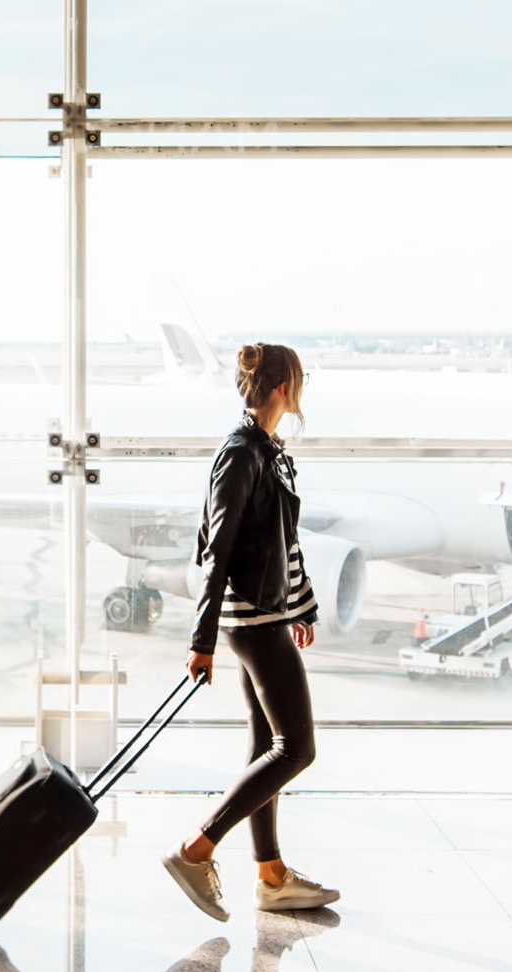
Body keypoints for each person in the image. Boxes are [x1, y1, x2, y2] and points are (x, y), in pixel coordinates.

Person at [163, 342, 340, 921]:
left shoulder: (267, 450)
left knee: (268, 746)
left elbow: (284, 540)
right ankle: (197, 849)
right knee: (298, 748)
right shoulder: (240, 453)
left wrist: (303, 606)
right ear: (284, 387)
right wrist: (202, 639)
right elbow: (218, 550)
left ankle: (271, 875)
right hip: (251, 620)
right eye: (301, 380)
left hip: (268, 614)